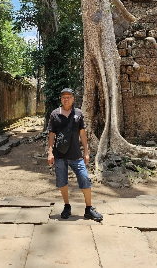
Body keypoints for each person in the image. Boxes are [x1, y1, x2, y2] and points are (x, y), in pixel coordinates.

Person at [47, 88, 103, 221]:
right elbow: (51, 135)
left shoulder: (78, 113)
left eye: (69, 97)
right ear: (61, 99)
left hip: (76, 155)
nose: (66, 99)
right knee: (62, 182)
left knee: (85, 178)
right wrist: (50, 152)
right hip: (60, 155)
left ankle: (89, 208)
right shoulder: (55, 114)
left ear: (73, 99)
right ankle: (67, 206)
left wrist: (86, 152)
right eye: (63, 97)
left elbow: (82, 134)